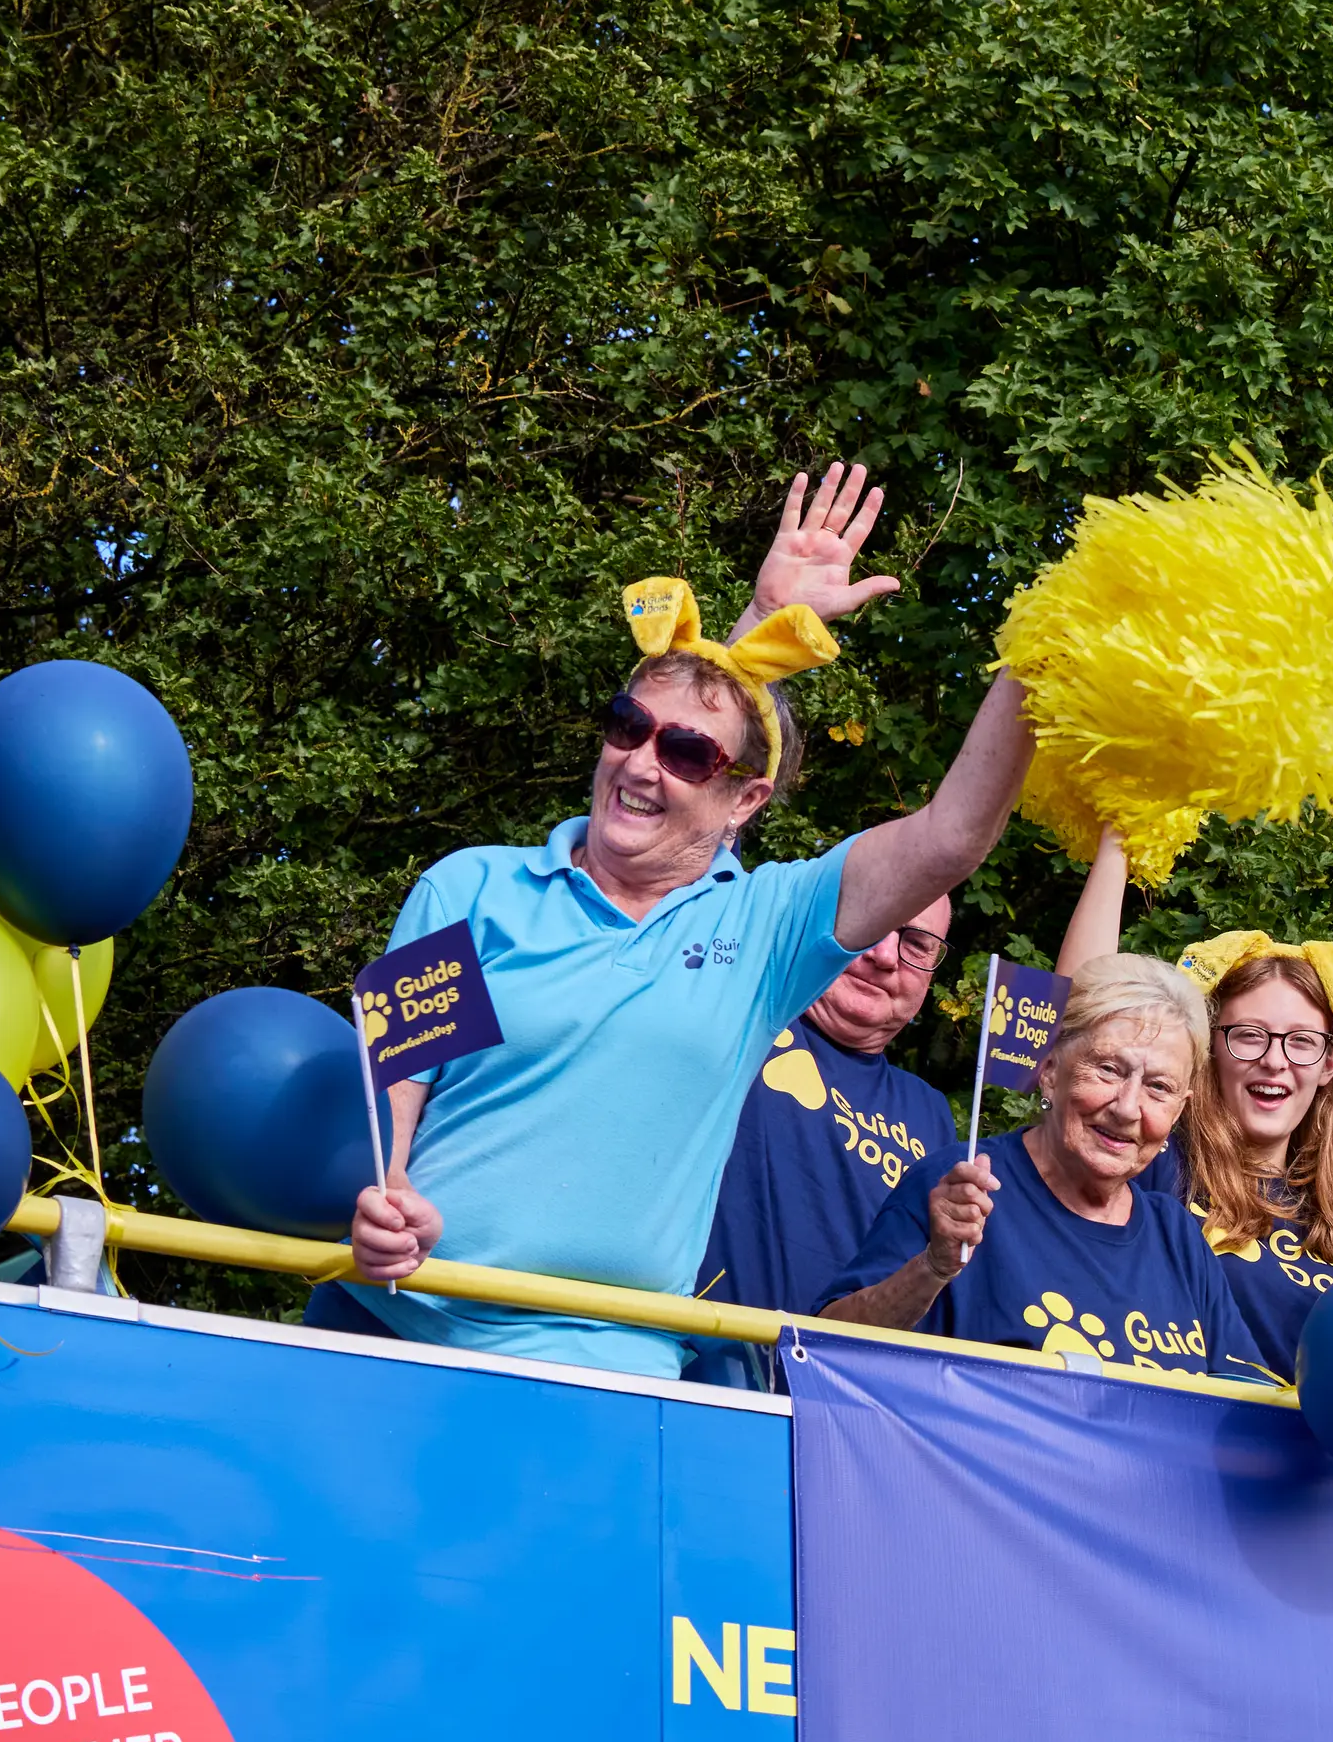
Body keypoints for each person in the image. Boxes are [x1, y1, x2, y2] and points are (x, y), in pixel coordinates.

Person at [337, 462, 1036, 1378]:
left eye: (686, 750)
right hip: (396, 1337)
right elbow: (390, 1088)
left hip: (611, 1373)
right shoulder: (468, 886)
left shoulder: (764, 931)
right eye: (629, 723)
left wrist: (1041, 650)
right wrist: (381, 1196)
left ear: (745, 801)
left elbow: (948, 837)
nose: (641, 762)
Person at [815, 955, 1266, 1379]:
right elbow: (823, 1345)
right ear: (1050, 1069)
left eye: (1159, 1087)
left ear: (1180, 1109)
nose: (1129, 1108)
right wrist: (933, 1268)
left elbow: (1248, 1397)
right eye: (1108, 1069)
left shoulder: (1176, 1233)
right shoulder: (964, 1183)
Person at [1058, 833, 1333, 1369]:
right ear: (1210, 1048)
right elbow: (1081, 1026)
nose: (1275, 1061)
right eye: (1250, 1034)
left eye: (1302, 1041)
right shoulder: (1159, 1160)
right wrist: (1119, 841)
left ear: (1330, 1063)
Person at [681, 894, 958, 1386]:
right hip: (697, 1363)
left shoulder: (931, 1112)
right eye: (873, 923)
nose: (885, 956)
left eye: (916, 943)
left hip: (842, 1395)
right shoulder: (738, 1017)